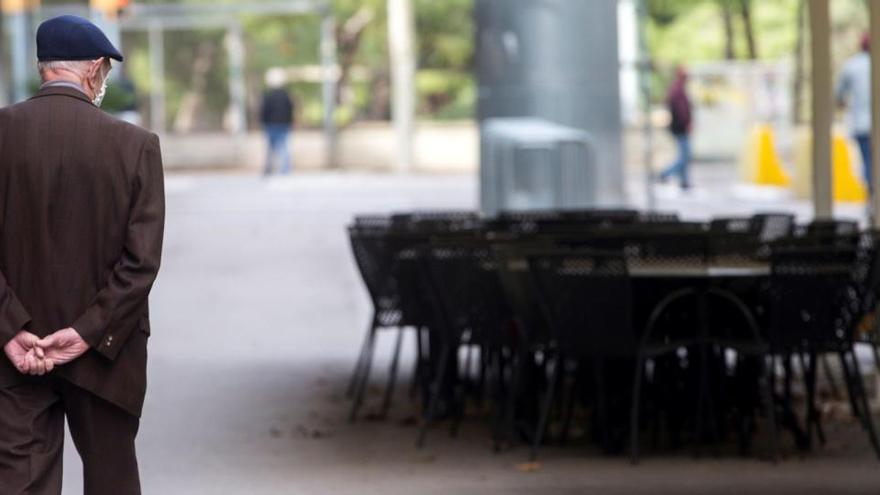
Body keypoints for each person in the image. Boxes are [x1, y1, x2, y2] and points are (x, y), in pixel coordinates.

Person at [0, 15, 164, 494]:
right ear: (94, 70)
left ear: (42, 68)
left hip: (15, 358)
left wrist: (11, 330)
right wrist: (86, 332)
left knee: (20, 482)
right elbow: (141, 262)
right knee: (112, 480)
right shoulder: (135, 146)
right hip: (105, 355)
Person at [836, 33, 872, 191]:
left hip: (861, 124)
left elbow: (838, 95)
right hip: (868, 124)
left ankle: (872, 198)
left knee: (868, 162)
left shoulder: (851, 65)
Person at [658, 66, 693, 190]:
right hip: (680, 127)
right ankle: (665, 173)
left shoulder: (677, 89)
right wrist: (687, 122)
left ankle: (684, 181)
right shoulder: (678, 90)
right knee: (685, 156)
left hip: (679, 127)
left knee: (684, 154)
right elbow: (681, 110)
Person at [260, 69, 295, 175]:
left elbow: (264, 110)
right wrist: (289, 122)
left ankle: (269, 168)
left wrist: (263, 122)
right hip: (283, 124)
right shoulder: (286, 95)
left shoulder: (268, 95)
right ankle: (285, 169)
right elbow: (290, 109)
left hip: (271, 125)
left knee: (271, 148)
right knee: (283, 147)